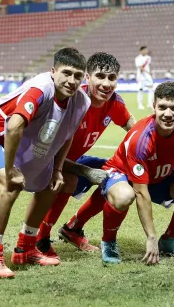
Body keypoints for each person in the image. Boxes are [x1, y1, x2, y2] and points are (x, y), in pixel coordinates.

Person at [0, 48, 91, 278]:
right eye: (66, 73)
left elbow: (66, 134)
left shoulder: (81, 101)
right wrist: (9, 170)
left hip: (14, 141)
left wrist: (57, 170)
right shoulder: (40, 89)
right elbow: (13, 126)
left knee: (51, 184)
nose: (72, 81)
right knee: (11, 185)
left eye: (78, 76)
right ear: (53, 71)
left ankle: (26, 247)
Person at [36, 52, 135, 259]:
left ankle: (73, 228)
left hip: (72, 161)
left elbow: (134, 129)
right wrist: (87, 172)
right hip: (45, 160)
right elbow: (46, 150)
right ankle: (41, 239)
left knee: (116, 175)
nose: (106, 84)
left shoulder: (114, 103)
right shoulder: (73, 100)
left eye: (112, 78)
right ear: (88, 78)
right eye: (100, 76)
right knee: (69, 179)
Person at [98, 82, 174, 264]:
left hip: (157, 176)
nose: (168, 114)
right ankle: (108, 242)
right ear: (154, 107)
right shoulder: (141, 138)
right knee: (124, 196)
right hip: (121, 174)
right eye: (162, 107)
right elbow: (141, 192)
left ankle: (170, 240)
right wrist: (151, 237)